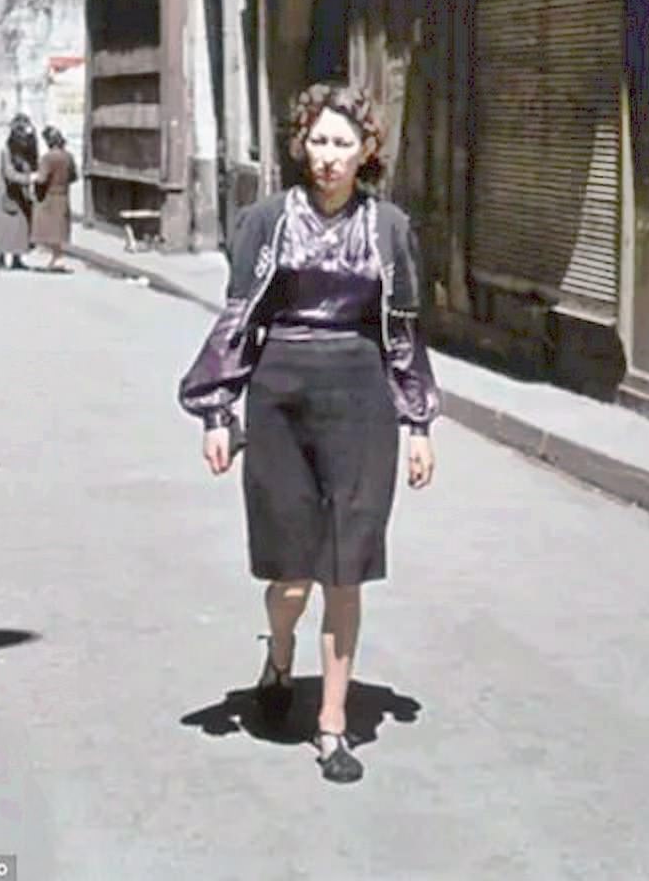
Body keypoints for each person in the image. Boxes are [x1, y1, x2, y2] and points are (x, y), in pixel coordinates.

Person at [178, 83, 440, 785]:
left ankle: (332, 724)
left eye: (343, 144)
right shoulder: (266, 220)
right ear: (303, 145)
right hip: (279, 399)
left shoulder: (389, 227)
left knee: (345, 570)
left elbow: (404, 330)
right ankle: (280, 653)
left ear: (366, 152)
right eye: (318, 142)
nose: (328, 157)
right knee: (292, 577)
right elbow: (239, 318)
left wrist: (417, 422)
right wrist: (216, 411)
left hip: (361, 402)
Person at [30, 125, 78, 272]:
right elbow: (74, 176)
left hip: (49, 197)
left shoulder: (47, 158)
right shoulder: (68, 156)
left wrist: (33, 178)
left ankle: (58, 258)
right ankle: (57, 257)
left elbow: (42, 179)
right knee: (59, 228)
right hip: (63, 195)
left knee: (49, 229)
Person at [0, 113, 37, 271]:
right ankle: (2, 257)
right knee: (5, 227)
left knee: (21, 227)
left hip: (21, 194)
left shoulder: (26, 150)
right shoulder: (7, 150)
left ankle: (17, 257)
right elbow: (9, 173)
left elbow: (32, 162)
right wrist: (28, 178)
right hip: (8, 193)